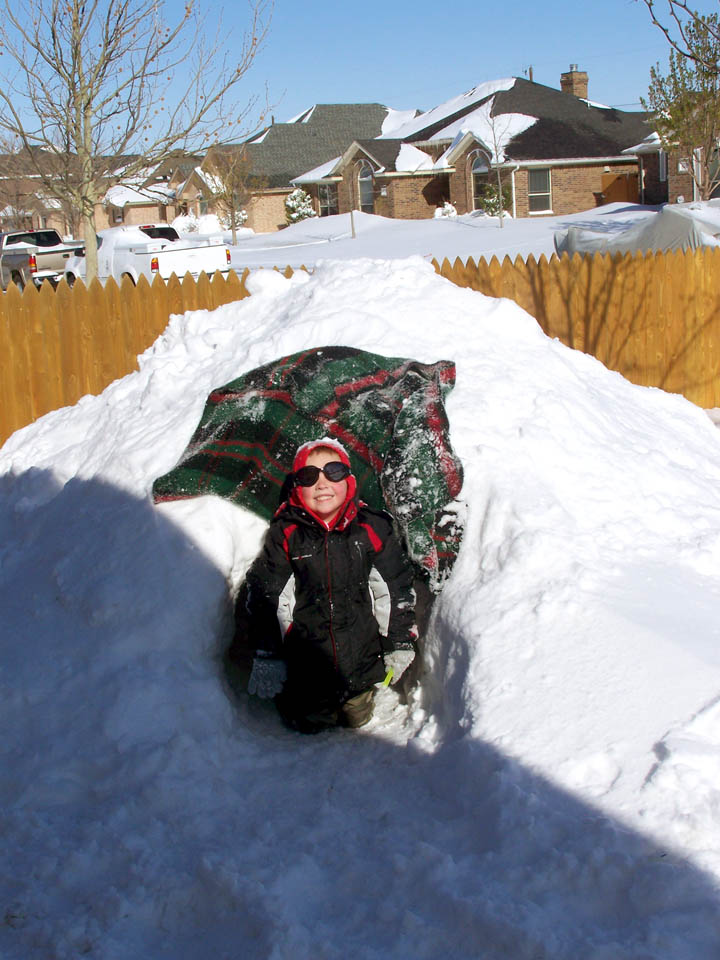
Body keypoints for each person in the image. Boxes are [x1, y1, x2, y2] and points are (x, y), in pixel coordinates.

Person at [244, 437, 418, 733]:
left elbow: (394, 588)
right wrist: (268, 653)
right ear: (298, 488)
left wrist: (398, 641)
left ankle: (356, 701)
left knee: (356, 717)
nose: (322, 483)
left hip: (361, 655)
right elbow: (269, 595)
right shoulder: (286, 534)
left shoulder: (371, 528)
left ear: (349, 480)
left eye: (334, 471)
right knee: (306, 721)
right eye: (309, 476)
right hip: (308, 661)